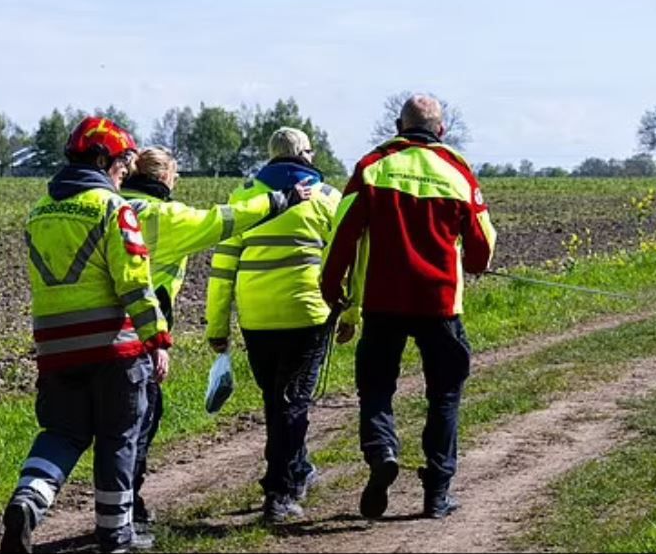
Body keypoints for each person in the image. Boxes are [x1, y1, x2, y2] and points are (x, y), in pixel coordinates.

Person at [320, 94, 496, 520]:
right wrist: (473, 264)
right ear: (442, 130)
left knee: (377, 388)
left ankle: (382, 451)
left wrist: (331, 285)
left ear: (399, 126)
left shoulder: (373, 166)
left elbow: (342, 232)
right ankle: (437, 493)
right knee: (445, 396)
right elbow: (482, 248)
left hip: (383, 302)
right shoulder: (457, 171)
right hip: (440, 305)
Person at [1, 117, 172, 554]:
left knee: (61, 433)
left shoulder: (39, 213)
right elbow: (135, 282)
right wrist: (158, 341)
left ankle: (28, 502)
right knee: (118, 438)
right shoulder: (114, 209)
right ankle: (115, 537)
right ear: (101, 159)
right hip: (115, 350)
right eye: (122, 163)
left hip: (56, 350)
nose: (124, 172)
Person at [119, 146, 310, 532]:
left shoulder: (108, 207)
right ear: (164, 177)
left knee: (95, 428)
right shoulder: (164, 216)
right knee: (139, 421)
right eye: (174, 176)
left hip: (88, 326)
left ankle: (43, 494)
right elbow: (226, 220)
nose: (176, 182)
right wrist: (282, 200)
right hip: (137, 331)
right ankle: (125, 511)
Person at [204, 127, 349, 523]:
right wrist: (351, 311)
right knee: (293, 402)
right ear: (306, 154)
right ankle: (279, 491)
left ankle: (297, 469)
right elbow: (345, 258)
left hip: (256, 316)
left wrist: (217, 326)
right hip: (306, 313)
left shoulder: (244, 196)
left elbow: (223, 267)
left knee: (276, 399)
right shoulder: (327, 198)